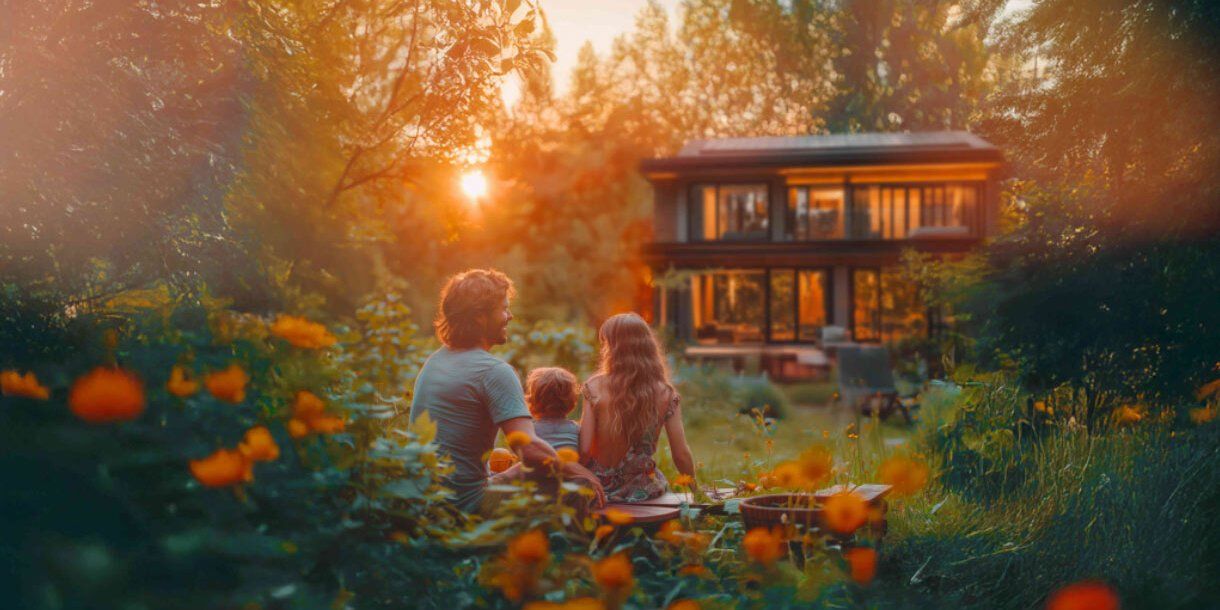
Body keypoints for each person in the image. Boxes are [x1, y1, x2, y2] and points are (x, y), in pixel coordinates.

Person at [408, 269, 605, 512]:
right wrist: (580, 470)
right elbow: (531, 450)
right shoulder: (494, 371)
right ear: (480, 317)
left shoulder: (435, 361)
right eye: (503, 309)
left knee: (501, 457)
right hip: (465, 506)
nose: (509, 316)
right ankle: (564, 547)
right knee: (579, 484)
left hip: (424, 501)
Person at [579, 312, 696, 503]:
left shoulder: (594, 387)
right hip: (643, 491)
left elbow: (584, 450)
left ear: (612, 348)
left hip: (599, 490)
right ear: (647, 347)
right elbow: (681, 454)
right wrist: (695, 491)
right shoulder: (666, 393)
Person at [525, 367, 581, 452]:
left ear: (532, 400)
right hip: (569, 465)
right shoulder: (577, 430)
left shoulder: (529, 430)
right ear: (571, 400)